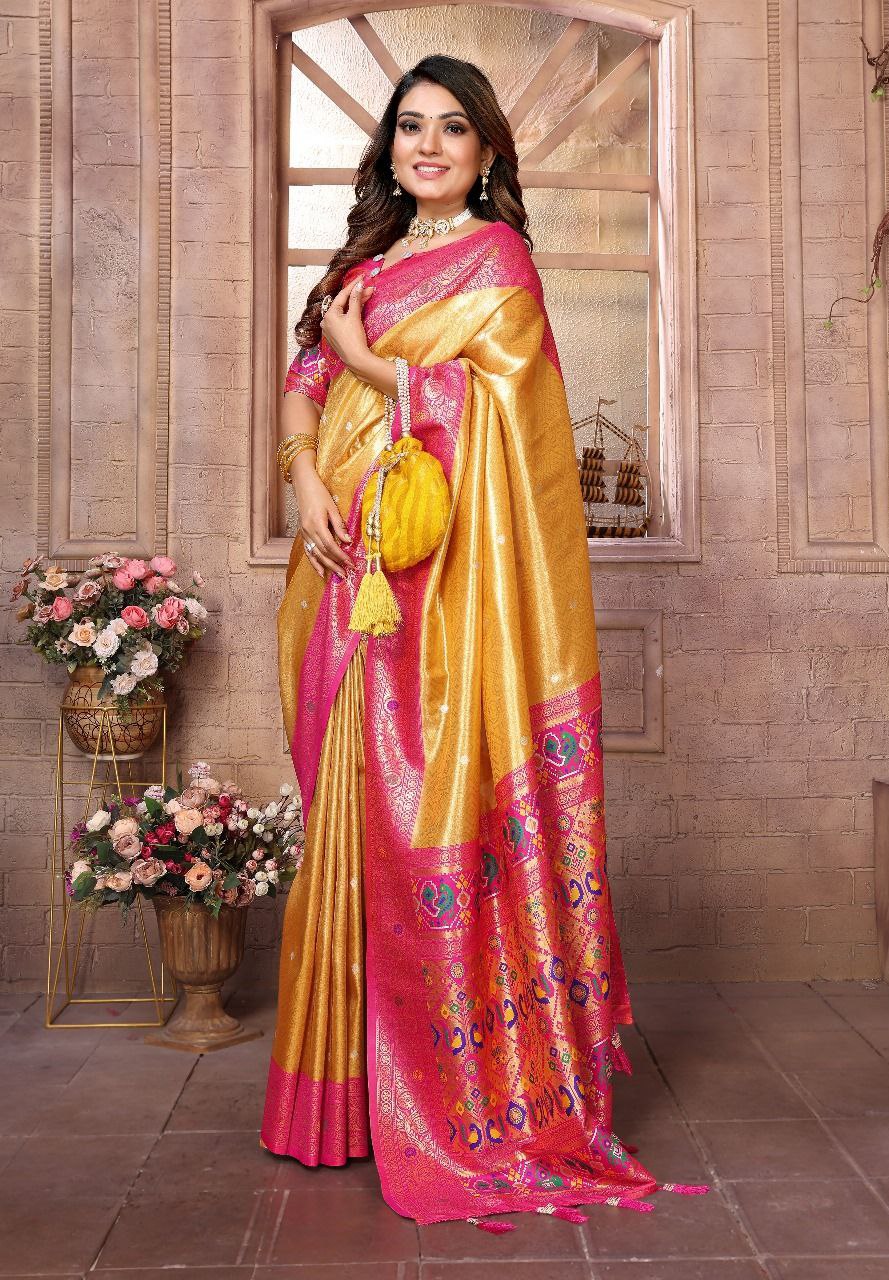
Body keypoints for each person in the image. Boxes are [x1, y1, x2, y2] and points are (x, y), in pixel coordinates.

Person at [259, 53, 704, 1230]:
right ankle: (349, 1100)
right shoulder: (362, 262)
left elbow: (514, 421)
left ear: (487, 150)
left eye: (452, 128)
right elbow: (301, 380)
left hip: (447, 596)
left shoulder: (498, 263)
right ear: (388, 148)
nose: (428, 145)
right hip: (343, 573)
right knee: (349, 818)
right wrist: (305, 474)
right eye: (410, 126)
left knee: (421, 818)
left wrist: (378, 368)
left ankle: (450, 1095)